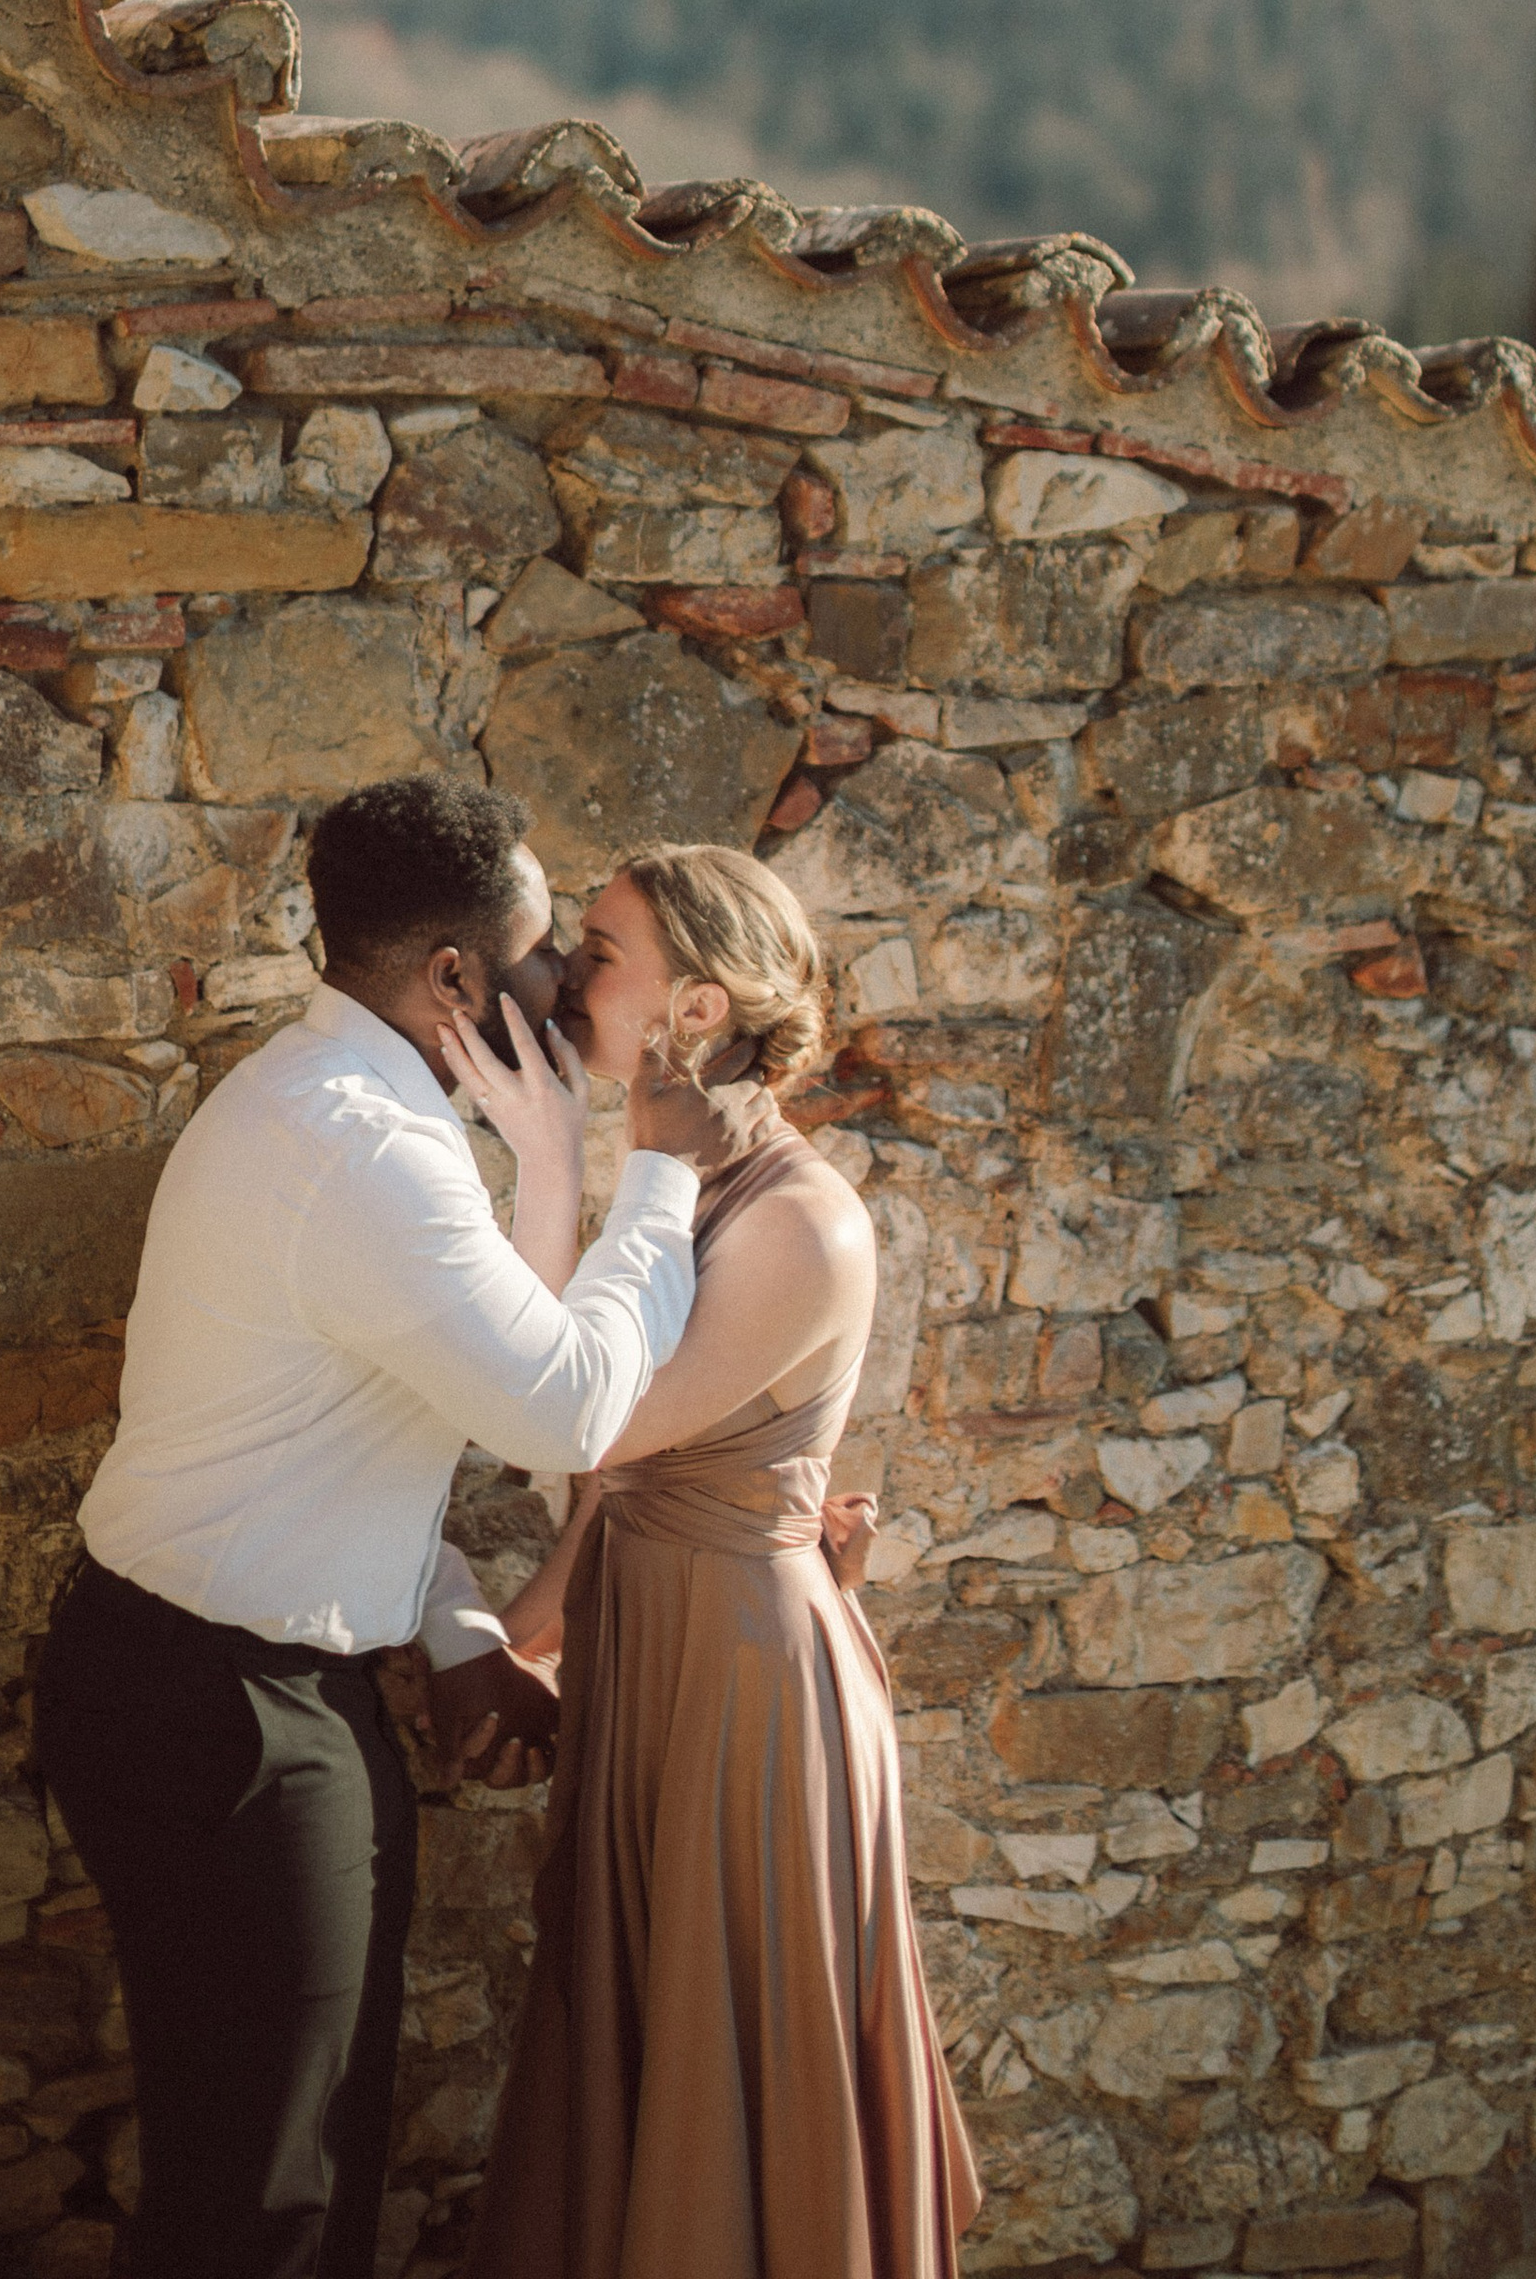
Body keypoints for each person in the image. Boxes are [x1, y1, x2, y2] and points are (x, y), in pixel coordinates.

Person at [34, 776, 749, 2279]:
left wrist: (449, 1621)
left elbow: (382, 1429)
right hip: (225, 1712)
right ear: (452, 979)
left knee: (278, 2159)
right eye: (543, 953)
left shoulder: (332, 1103)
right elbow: (564, 1412)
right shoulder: (363, 1149)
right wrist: (659, 1171)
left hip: (210, 1679)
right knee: (272, 2198)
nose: (564, 991)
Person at [446, 843, 981, 2279]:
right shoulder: (680, 1192)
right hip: (651, 1657)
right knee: (626, 2032)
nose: (560, 977)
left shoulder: (800, 1222)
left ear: (698, 1008)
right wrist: (518, 1642)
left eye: (598, 954)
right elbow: (600, 1484)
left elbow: (590, 1422)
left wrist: (564, 1157)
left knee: (728, 2046)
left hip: (749, 1692)